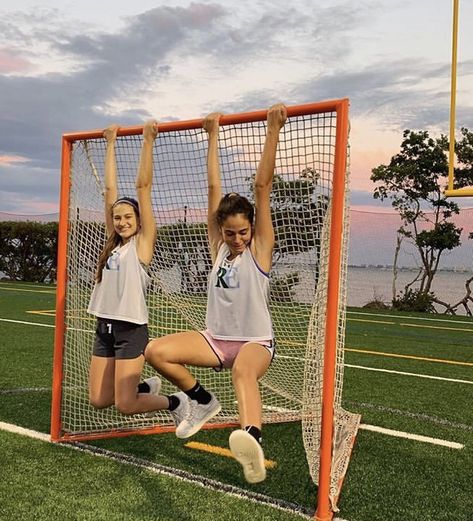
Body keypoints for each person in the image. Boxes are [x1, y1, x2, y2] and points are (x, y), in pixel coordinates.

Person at [145, 103, 287, 483]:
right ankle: (203, 402)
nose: (237, 239)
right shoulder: (220, 247)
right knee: (156, 351)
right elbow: (213, 188)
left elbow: (262, 186)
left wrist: (272, 128)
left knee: (243, 371)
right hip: (215, 340)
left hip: (254, 342)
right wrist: (212, 136)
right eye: (230, 233)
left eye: (243, 232)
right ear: (220, 231)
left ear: (252, 228)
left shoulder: (259, 249)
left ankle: (251, 439)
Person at [87, 121, 189, 427]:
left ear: (138, 219)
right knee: (99, 400)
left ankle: (175, 401)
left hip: (131, 330)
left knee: (125, 405)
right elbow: (110, 191)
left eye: (127, 217)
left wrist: (148, 141)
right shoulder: (113, 244)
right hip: (104, 326)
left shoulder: (141, 246)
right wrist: (110, 143)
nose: (121, 222)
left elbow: (143, 187)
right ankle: (142, 386)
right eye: (117, 217)